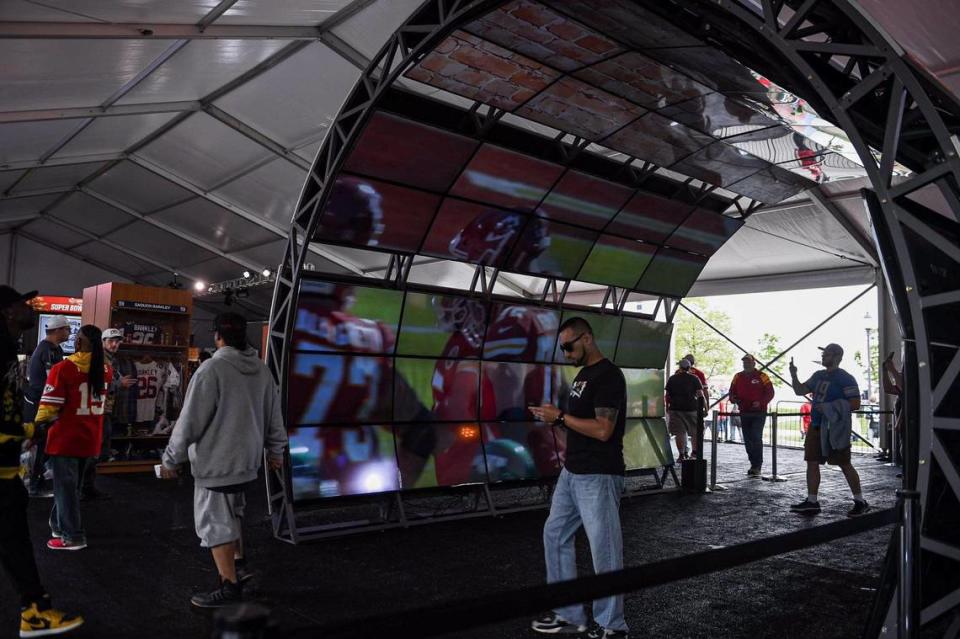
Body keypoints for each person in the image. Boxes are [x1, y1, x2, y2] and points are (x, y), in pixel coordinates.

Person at [160, 312, 288, 607]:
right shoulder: (261, 369)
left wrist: (171, 459)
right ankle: (240, 567)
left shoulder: (211, 370)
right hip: (247, 464)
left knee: (215, 524)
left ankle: (228, 587)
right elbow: (274, 417)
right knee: (234, 515)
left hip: (216, 464)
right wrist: (276, 451)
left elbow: (189, 422)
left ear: (217, 336)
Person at [529, 317, 629, 639]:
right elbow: (580, 422)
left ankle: (613, 626)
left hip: (598, 474)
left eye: (569, 346)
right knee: (555, 534)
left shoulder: (609, 376)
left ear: (587, 339)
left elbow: (603, 430)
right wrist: (557, 419)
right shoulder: (583, 376)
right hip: (573, 472)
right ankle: (568, 613)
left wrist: (559, 416)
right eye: (562, 348)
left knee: (605, 551)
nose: (565, 353)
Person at [0, 286, 84, 635]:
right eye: (22, 303)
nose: (29, 307)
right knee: (13, 538)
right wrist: (25, 428)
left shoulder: (9, 346)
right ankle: (35, 609)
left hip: (5, 467)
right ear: (6, 311)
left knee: (13, 539)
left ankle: (34, 609)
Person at [34, 324, 112, 551]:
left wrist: (35, 430)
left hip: (65, 440)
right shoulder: (106, 370)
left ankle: (72, 536)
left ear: (78, 343)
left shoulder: (63, 369)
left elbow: (48, 408)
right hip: (90, 439)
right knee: (70, 488)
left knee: (66, 490)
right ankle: (59, 526)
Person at [788, 344, 870, 516]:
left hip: (834, 430)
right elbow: (800, 390)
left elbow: (855, 403)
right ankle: (812, 501)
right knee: (812, 462)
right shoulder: (818, 375)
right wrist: (793, 374)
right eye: (824, 354)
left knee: (844, 463)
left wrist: (828, 407)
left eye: (827, 354)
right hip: (816, 426)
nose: (824, 357)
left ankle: (860, 501)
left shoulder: (845, 378)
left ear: (837, 356)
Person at [80, 328, 135, 500]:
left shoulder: (112, 360)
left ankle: (86, 486)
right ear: (102, 342)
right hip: (97, 410)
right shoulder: (99, 360)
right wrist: (119, 384)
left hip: (105, 409)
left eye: (117, 341)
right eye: (111, 341)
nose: (114, 344)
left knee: (100, 450)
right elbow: (97, 384)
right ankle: (82, 486)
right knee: (96, 450)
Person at [24, 315, 71, 497]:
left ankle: (37, 479)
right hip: (39, 404)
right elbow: (54, 382)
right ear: (58, 330)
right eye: (67, 329)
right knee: (39, 443)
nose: (69, 332)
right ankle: (34, 485)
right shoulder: (48, 350)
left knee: (43, 443)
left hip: (42, 401)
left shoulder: (54, 349)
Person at [728, 354, 774, 477]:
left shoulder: (762, 376)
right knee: (747, 439)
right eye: (744, 362)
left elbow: (770, 392)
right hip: (744, 412)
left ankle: (757, 465)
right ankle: (753, 464)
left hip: (759, 413)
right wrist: (733, 398)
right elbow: (731, 392)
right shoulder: (737, 376)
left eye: (748, 362)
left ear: (754, 363)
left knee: (756, 436)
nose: (746, 364)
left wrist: (761, 402)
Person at [664, 358, 704, 460]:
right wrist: (703, 408)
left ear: (680, 367)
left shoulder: (673, 378)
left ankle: (681, 455)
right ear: (689, 367)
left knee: (679, 433)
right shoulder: (694, 378)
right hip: (691, 408)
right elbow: (700, 394)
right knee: (695, 431)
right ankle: (694, 453)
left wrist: (667, 406)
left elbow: (667, 395)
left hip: (675, 409)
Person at [880, 351, 903, 464]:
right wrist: (885, 371)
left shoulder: (911, 387)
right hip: (903, 426)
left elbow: (904, 387)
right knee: (903, 449)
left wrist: (892, 370)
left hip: (910, 424)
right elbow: (888, 388)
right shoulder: (902, 390)